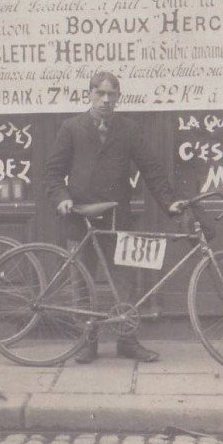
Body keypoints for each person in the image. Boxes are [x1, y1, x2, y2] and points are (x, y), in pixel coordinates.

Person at [44, 71, 183, 363]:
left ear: (119, 97)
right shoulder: (71, 128)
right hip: (80, 217)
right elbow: (53, 173)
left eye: (112, 94)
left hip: (118, 217)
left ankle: (127, 340)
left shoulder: (129, 129)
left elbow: (152, 169)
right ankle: (86, 341)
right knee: (81, 281)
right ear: (90, 94)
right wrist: (62, 199)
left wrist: (169, 203)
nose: (106, 100)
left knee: (126, 281)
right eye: (100, 93)